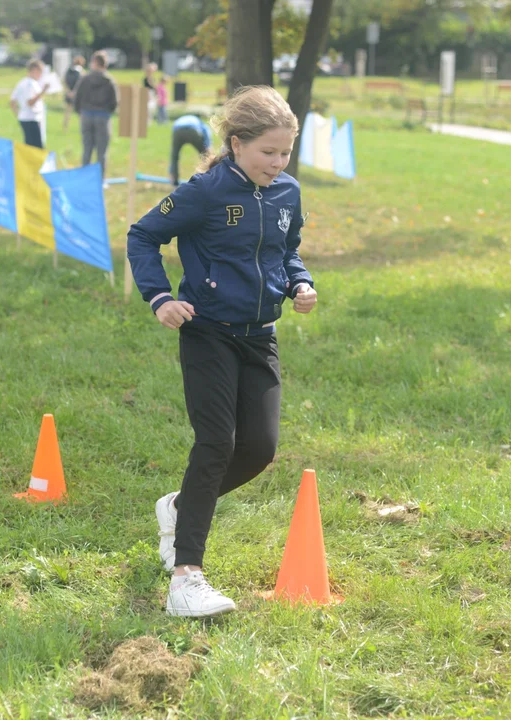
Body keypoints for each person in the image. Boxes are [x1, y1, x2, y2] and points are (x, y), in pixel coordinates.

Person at [126, 86, 319, 618]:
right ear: (237, 144)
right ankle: (186, 577)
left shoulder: (286, 193)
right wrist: (160, 296)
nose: (277, 164)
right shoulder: (205, 192)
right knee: (215, 443)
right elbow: (142, 235)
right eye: (268, 153)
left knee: (258, 448)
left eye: (285, 154)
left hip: (260, 336)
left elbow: (287, 249)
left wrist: (298, 284)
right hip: (208, 331)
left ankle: (180, 507)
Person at [73, 51, 118, 181]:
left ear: (93, 63)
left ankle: (84, 179)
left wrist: (80, 112)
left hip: (86, 115)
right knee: (102, 152)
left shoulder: (85, 78)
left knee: (87, 149)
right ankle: (100, 180)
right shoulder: (109, 80)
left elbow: (77, 97)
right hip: (103, 117)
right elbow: (114, 102)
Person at [10, 59, 48, 149]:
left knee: (31, 146)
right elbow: (30, 102)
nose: (41, 75)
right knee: (36, 147)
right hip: (31, 118)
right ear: (34, 70)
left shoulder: (23, 82)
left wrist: (18, 114)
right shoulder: (29, 84)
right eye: (40, 71)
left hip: (27, 117)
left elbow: (12, 101)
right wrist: (43, 92)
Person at [168, 114, 212, 186]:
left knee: (174, 157)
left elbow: (173, 131)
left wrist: (171, 169)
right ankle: (209, 178)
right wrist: (208, 147)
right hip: (193, 130)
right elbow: (206, 133)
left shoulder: (180, 120)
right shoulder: (198, 121)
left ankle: (174, 180)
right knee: (205, 156)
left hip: (177, 131)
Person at [62, 55, 86, 131]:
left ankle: (65, 127)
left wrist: (68, 91)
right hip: (77, 94)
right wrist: (74, 92)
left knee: (67, 111)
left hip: (68, 93)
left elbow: (64, 81)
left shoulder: (68, 70)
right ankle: (83, 127)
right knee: (80, 112)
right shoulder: (81, 71)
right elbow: (81, 82)